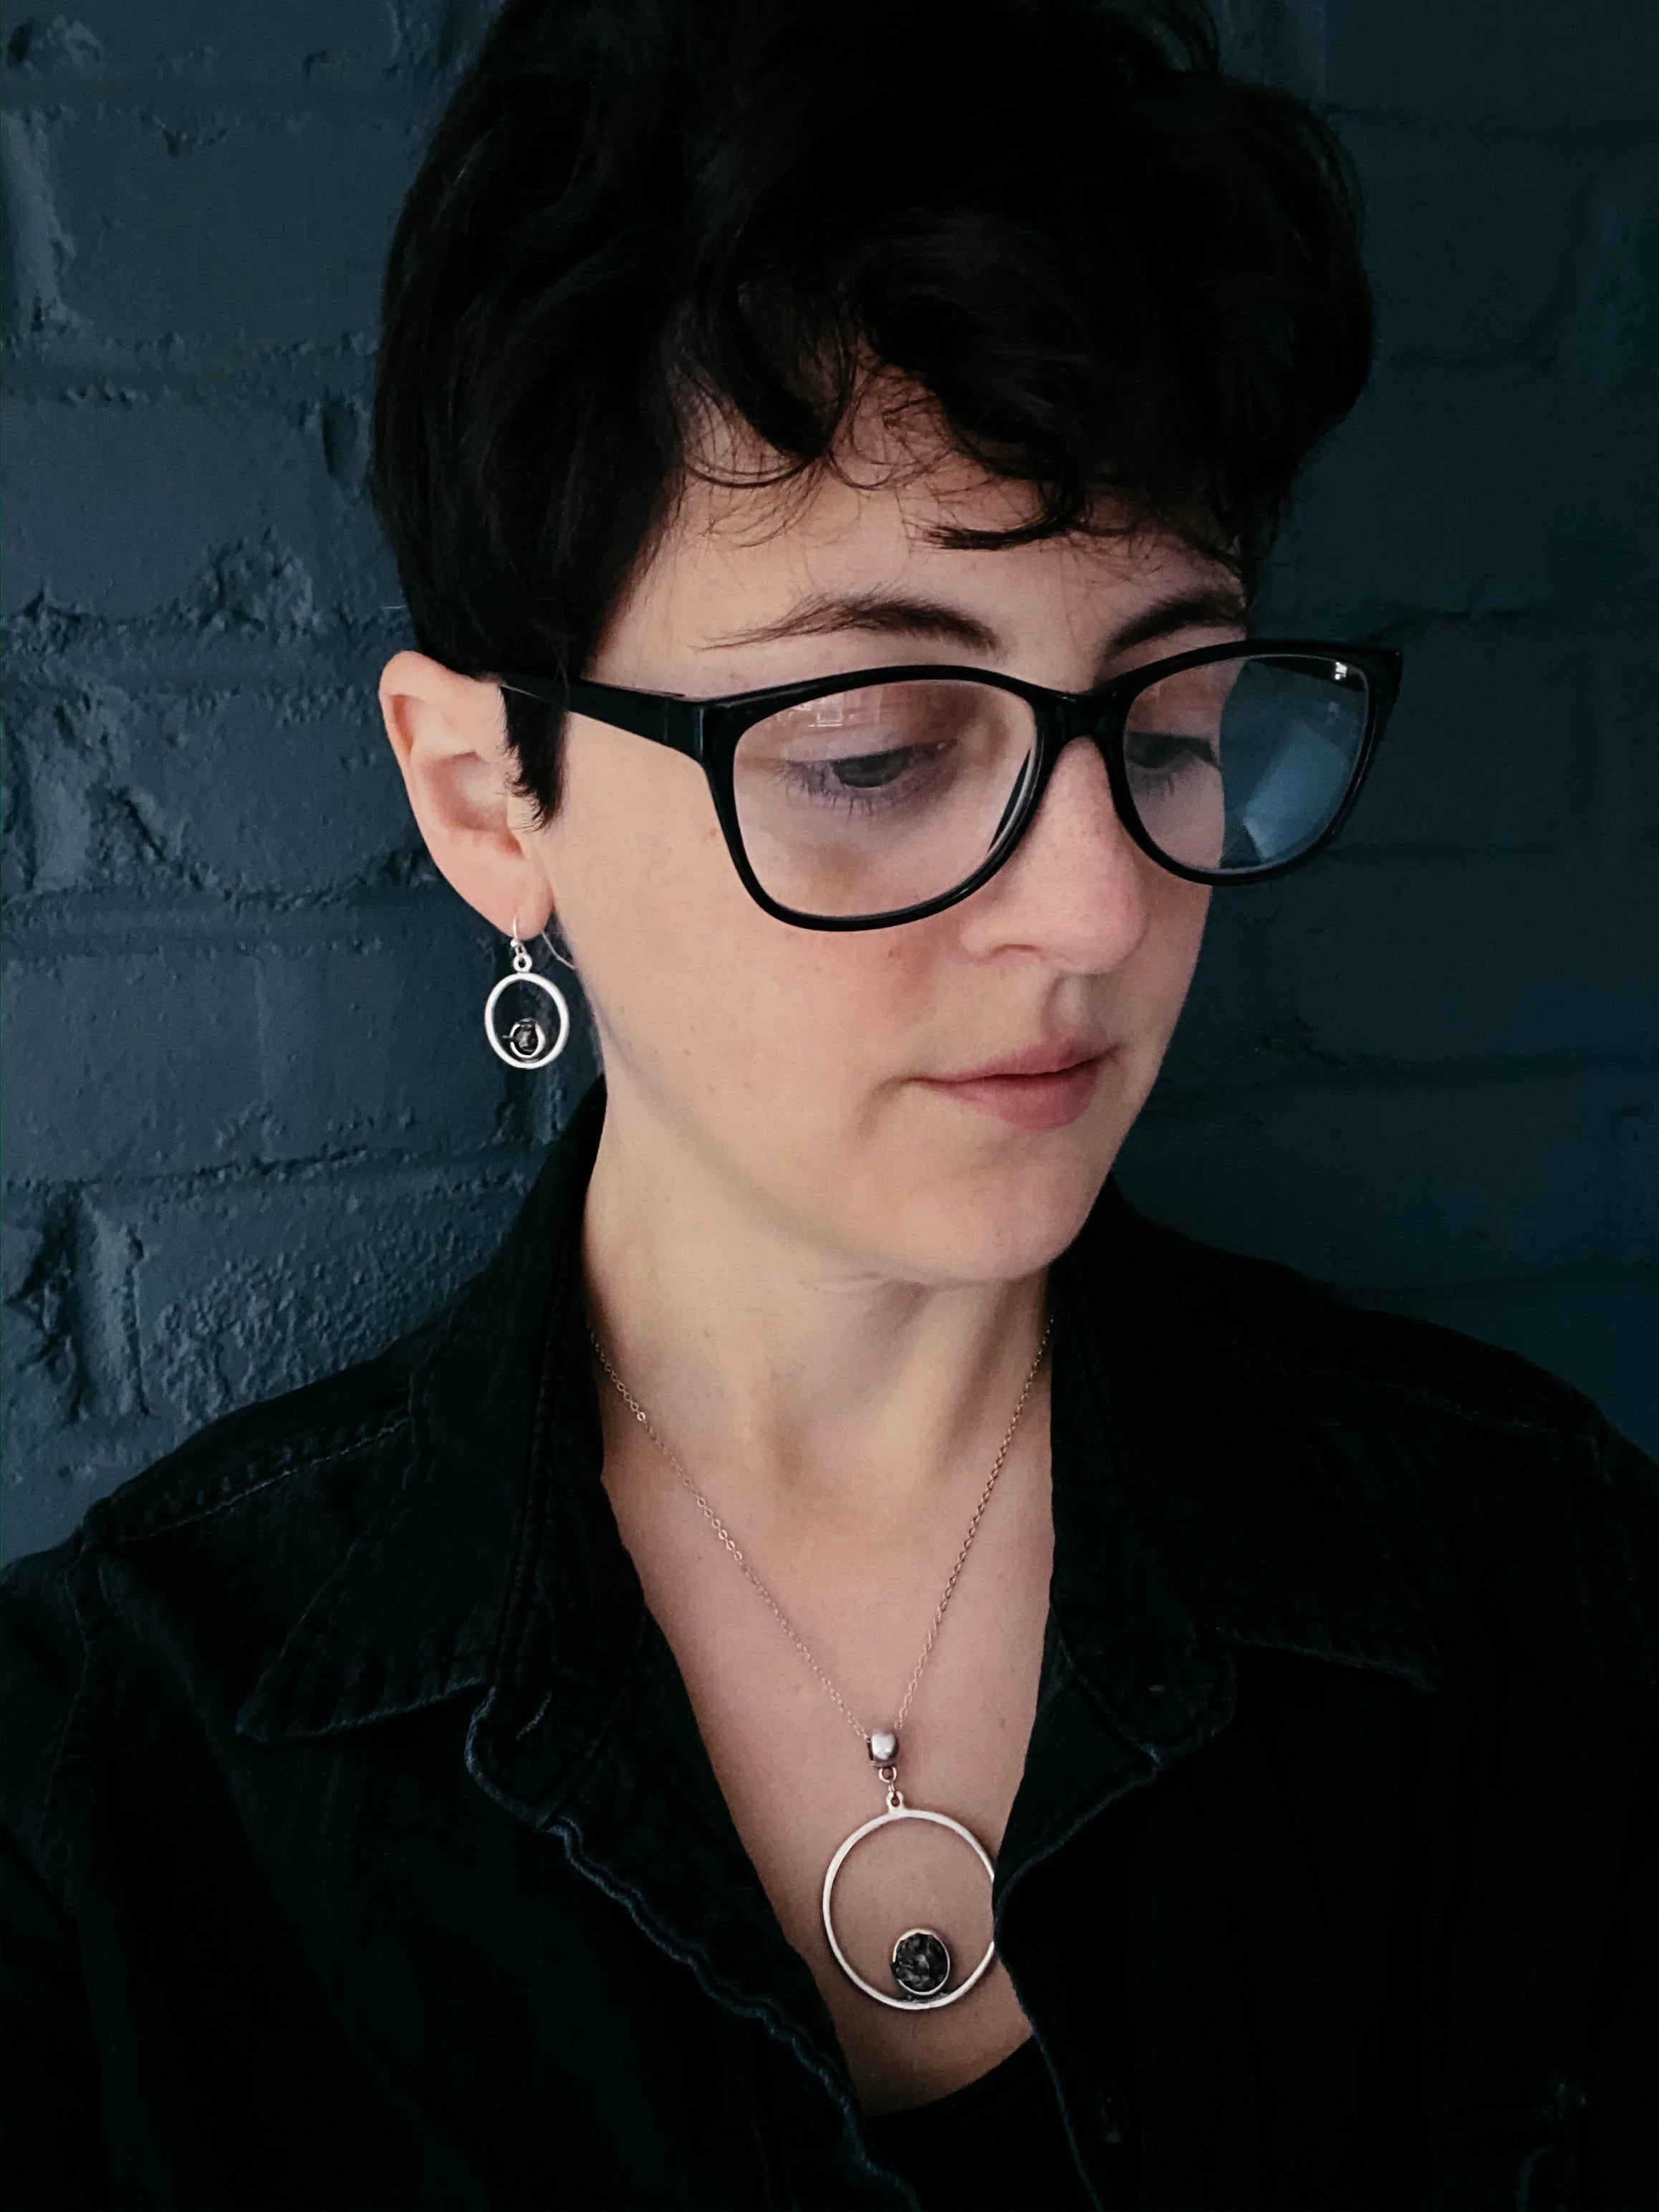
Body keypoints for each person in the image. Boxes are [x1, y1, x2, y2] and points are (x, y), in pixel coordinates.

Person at [2, 1, 1655, 2206]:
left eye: (1171, 713)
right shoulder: (109, 1796)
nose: (1092, 903)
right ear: (492, 796)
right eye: (875, 749)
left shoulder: (1531, 1589)